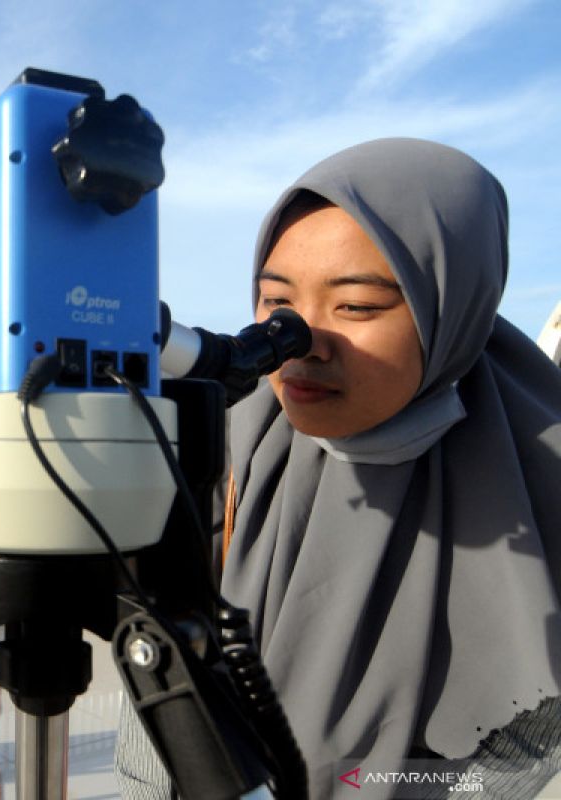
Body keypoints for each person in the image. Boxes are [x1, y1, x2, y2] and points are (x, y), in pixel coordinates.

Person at [115, 138, 561, 798]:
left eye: (355, 306)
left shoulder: (540, 473)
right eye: (277, 304)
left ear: (453, 311)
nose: (300, 345)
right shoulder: (232, 446)